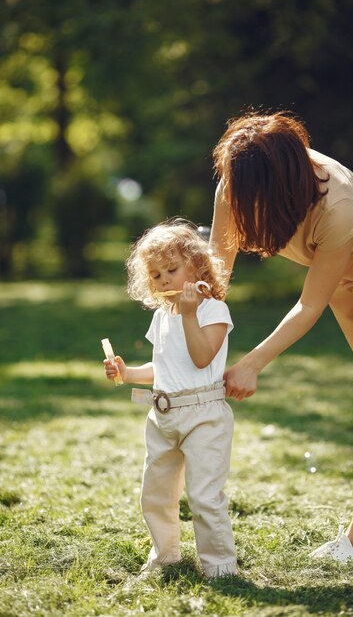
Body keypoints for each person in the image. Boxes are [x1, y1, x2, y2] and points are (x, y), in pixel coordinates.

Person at [209, 110, 353, 562]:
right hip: (347, 276)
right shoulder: (239, 180)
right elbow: (219, 264)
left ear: (282, 181)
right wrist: (197, 328)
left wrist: (252, 363)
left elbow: (308, 306)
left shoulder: (335, 203)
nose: (235, 197)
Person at [104, 220, 237, 578]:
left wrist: (190, 314)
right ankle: (165, 554)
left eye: (172, 269)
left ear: (197, 265)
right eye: (156, 274)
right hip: (163, 414)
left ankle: (220, 565)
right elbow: (163, 364)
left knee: (204, 495)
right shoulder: (164, 316)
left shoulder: (211, 311)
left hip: (203, 415)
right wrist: (127, 372)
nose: (164, 280)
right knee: (156, 492)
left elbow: (200, 357)